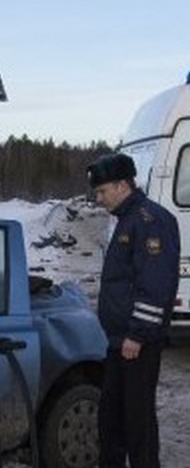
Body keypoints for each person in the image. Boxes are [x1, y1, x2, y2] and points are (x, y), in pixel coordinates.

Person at [87, 152, 180, 468]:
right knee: (110, 419)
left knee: (137, 423)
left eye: (102, 191)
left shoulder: (150, 221)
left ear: (122, 185)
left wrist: (137, 335)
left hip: (136, 344)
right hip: (119, 340)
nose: (98, 199)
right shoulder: (126, 220)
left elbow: (156, 285)